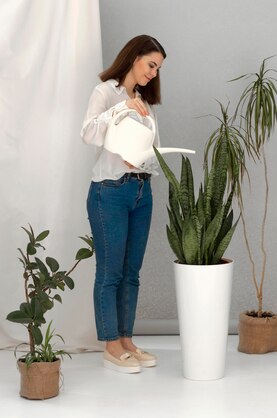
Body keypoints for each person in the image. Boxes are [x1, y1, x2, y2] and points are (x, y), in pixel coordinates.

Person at [81, 35, 166, 373]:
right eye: (151, 64)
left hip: (140, 192)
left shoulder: (144, 101)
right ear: (134, 58)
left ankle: (126, 340)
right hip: (109, 192)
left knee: (132, 274)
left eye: (158, 68)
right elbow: (88, 132)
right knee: (110, 272)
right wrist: (121, 108)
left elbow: (153, 149)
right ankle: (111, 344)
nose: (153, 73)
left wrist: (143, 162)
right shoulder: (106, 92)